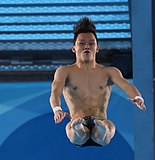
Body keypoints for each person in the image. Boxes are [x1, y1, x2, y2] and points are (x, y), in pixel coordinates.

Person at [49, 17, 146, 147]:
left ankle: (100, 130)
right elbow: (55, 92)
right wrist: (57, 109)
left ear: (97, 48)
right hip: (77, 119)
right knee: (75, 132)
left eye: (91, 43)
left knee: (108, 130)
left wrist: (137, 97)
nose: (86, 46)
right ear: (74, 48)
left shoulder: (110, 72)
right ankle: (79, 128)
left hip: (101, 120)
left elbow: (126, 85)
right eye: (82, 43)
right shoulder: (64, 71)